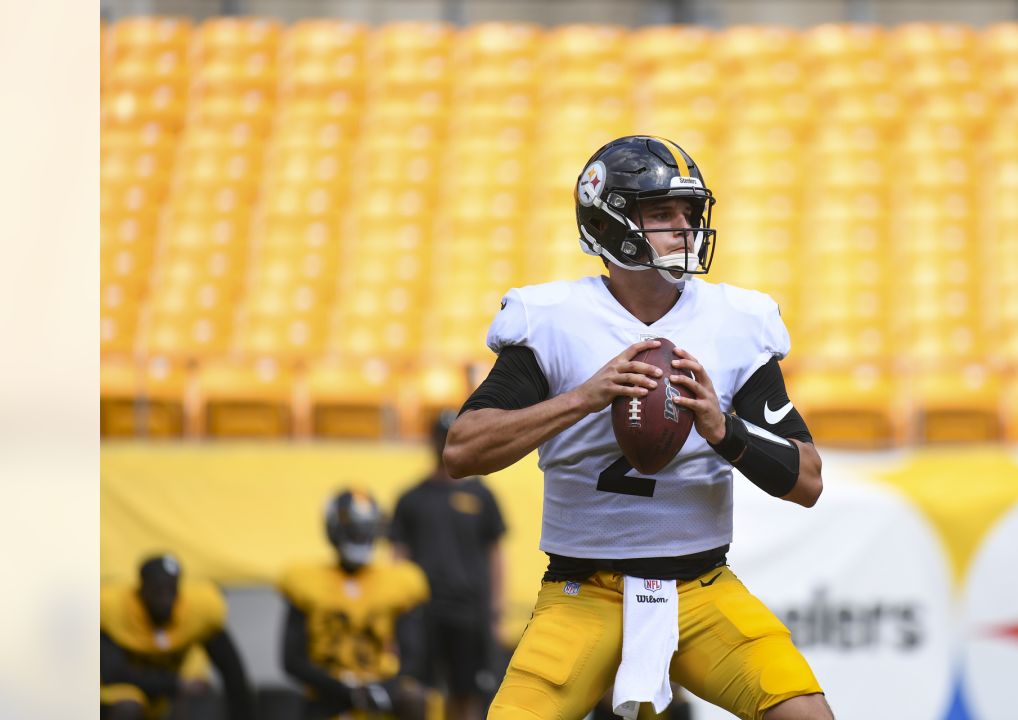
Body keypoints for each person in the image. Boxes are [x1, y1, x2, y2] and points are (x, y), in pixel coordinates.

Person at [443, 135, 832, 720]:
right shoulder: (552, 320)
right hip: (581, 593)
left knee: (805, 715)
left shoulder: (735, 321)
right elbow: (462, 450)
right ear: (610, 221)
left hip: (700, 588)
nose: (683, 227)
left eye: (688, 213)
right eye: (661, 213)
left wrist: (724, 430)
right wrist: (581, 398)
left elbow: (808, 482)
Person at [390, 409, 508, 720]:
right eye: (440, 439)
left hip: (468, 612)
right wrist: (396, 615)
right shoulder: (411, 499)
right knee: (416, 690)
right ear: (431, 443)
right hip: (421, 611)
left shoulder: (481, 495)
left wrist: (496, 611)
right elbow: (398, 559)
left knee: (466, 691)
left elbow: (496, 555)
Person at [279, 488, 430, 720]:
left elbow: (414, 656)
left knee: (414, 697)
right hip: (327, 692)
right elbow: (292, 660)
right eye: (353, 527)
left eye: (364, 528)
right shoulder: (306, 581)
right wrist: (344, 690)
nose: (359, 534)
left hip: (379, 687)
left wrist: (383, 688)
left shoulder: (399, 582)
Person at [100, 553, 257, 720]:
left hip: (167, 696)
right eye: (158, 589)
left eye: (170, 589)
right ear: (142, 587)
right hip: (119, 693)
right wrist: (176, 684)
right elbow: (113, 673)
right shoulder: (114, 611)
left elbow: (233, 673)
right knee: (128, 706)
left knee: (202, 695)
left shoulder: (197, 612)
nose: (165, 598)